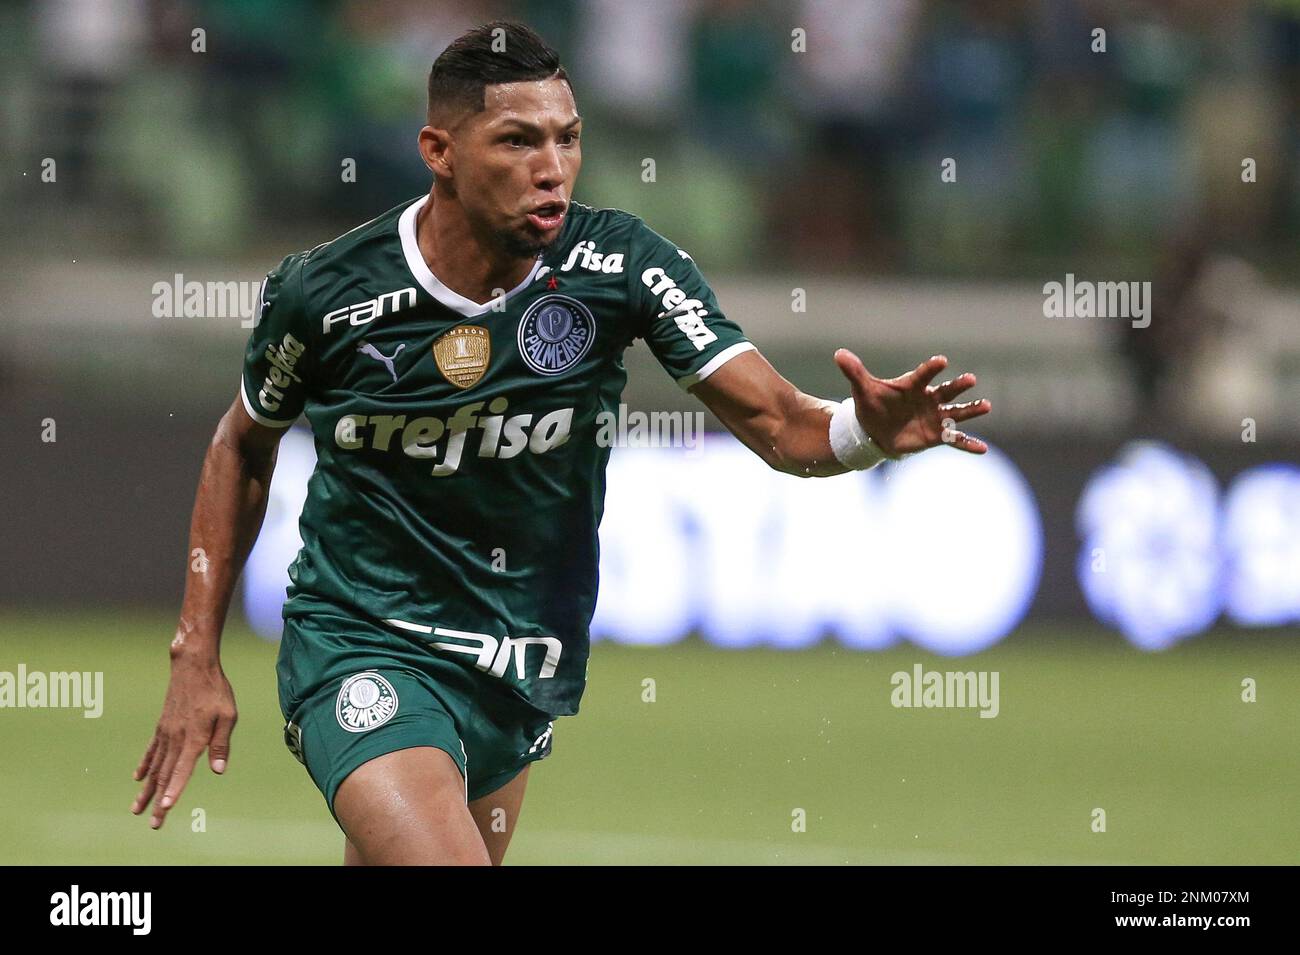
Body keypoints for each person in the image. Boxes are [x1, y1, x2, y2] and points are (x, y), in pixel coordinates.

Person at [131, 19, 990, 865]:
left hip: (517, 663)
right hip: (364, 641)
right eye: (518, 141)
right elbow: (244, 443)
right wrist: (195, 650)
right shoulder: (327, 293)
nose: (553, 170)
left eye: (568, 139)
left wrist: (863, 434)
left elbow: (777, 422)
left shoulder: (620, 266)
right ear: (440, 151)